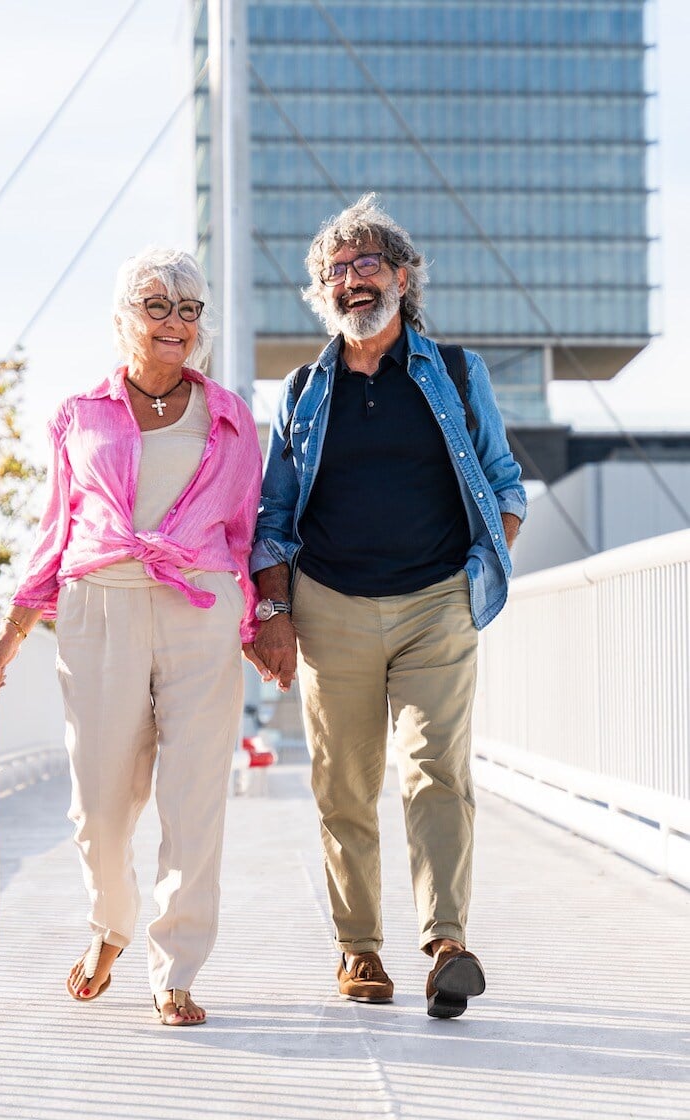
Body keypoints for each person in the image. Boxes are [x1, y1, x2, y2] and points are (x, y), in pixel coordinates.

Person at [246, 195, 526, 1017]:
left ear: (403, 277)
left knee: (436, 769)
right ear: (321, 293)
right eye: (336, 269)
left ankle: (446, 944)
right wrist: (274, 612)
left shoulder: (459, 373)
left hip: (435, 601)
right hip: (329, 607)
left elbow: (506, 486)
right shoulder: (302, 389)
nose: (352, 279)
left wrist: (480, 564)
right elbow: (272, 518)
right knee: (344, 785)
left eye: (368, 263)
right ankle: (359, 949)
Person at [0, 247, 262, 1026]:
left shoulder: (232, 417)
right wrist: (12, 630)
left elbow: (246, 535)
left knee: (194, 798)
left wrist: (261, 620)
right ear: (122, 318)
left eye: (191, 309)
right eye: (157, 306)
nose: (176, 323)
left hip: (199, 608)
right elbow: (52, 530)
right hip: (96, 606)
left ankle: (175, 969)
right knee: (98, 805)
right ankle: (111, 925)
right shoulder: (79, 415)